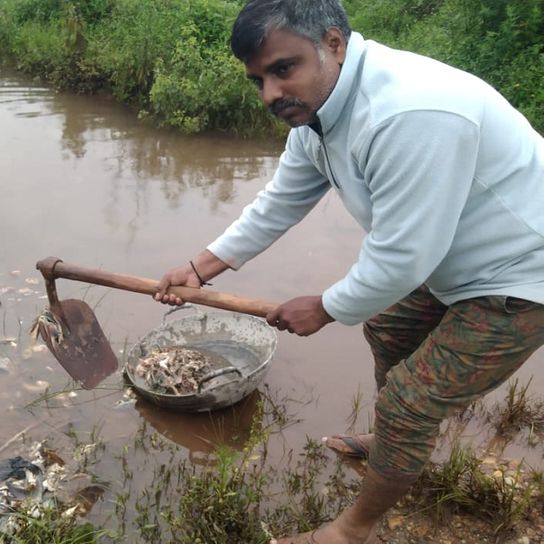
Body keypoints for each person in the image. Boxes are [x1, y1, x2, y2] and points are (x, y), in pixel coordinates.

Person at [154, 0, 544, 542]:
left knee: (411, 399)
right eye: (258, 79)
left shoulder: (411, 112)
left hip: (523, 273)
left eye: (283, 69)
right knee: (386, 327)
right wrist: (200, 267)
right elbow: (279, 202)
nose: (270, 93)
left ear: (333, 44)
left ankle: (351, 529)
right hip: (453, 256)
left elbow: (404, 254)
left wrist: (326, 306)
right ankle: (398, 443)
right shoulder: (318, 116)